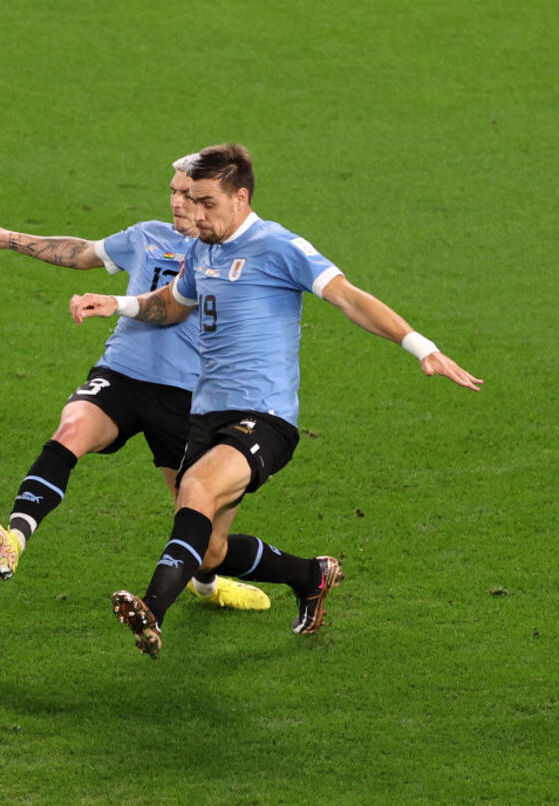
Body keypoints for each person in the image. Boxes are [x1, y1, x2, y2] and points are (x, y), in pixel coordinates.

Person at [70, 143, 482, 656]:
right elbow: (173, 304)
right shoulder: (202, 249)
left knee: (195, 486)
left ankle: (152, 610)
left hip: (263, 417)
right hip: (207, 414)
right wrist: (119, 303)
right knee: (210, 552)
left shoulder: (279, 246)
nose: (195, 215)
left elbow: (349, 297)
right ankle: (311, 575)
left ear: (240, 198)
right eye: (191, 201)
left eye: (207, 204)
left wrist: (421, 347)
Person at [0, 154, 269, 611]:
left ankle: (212, 583)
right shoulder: (146, 236)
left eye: (188, 194)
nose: (178, 202)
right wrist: (5, 238)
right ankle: (14, 540)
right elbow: (82, 252)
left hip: (187, 399)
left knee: (205, 536)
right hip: (121, 377)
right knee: (71, 430)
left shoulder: (227, 256)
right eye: (173, 191)